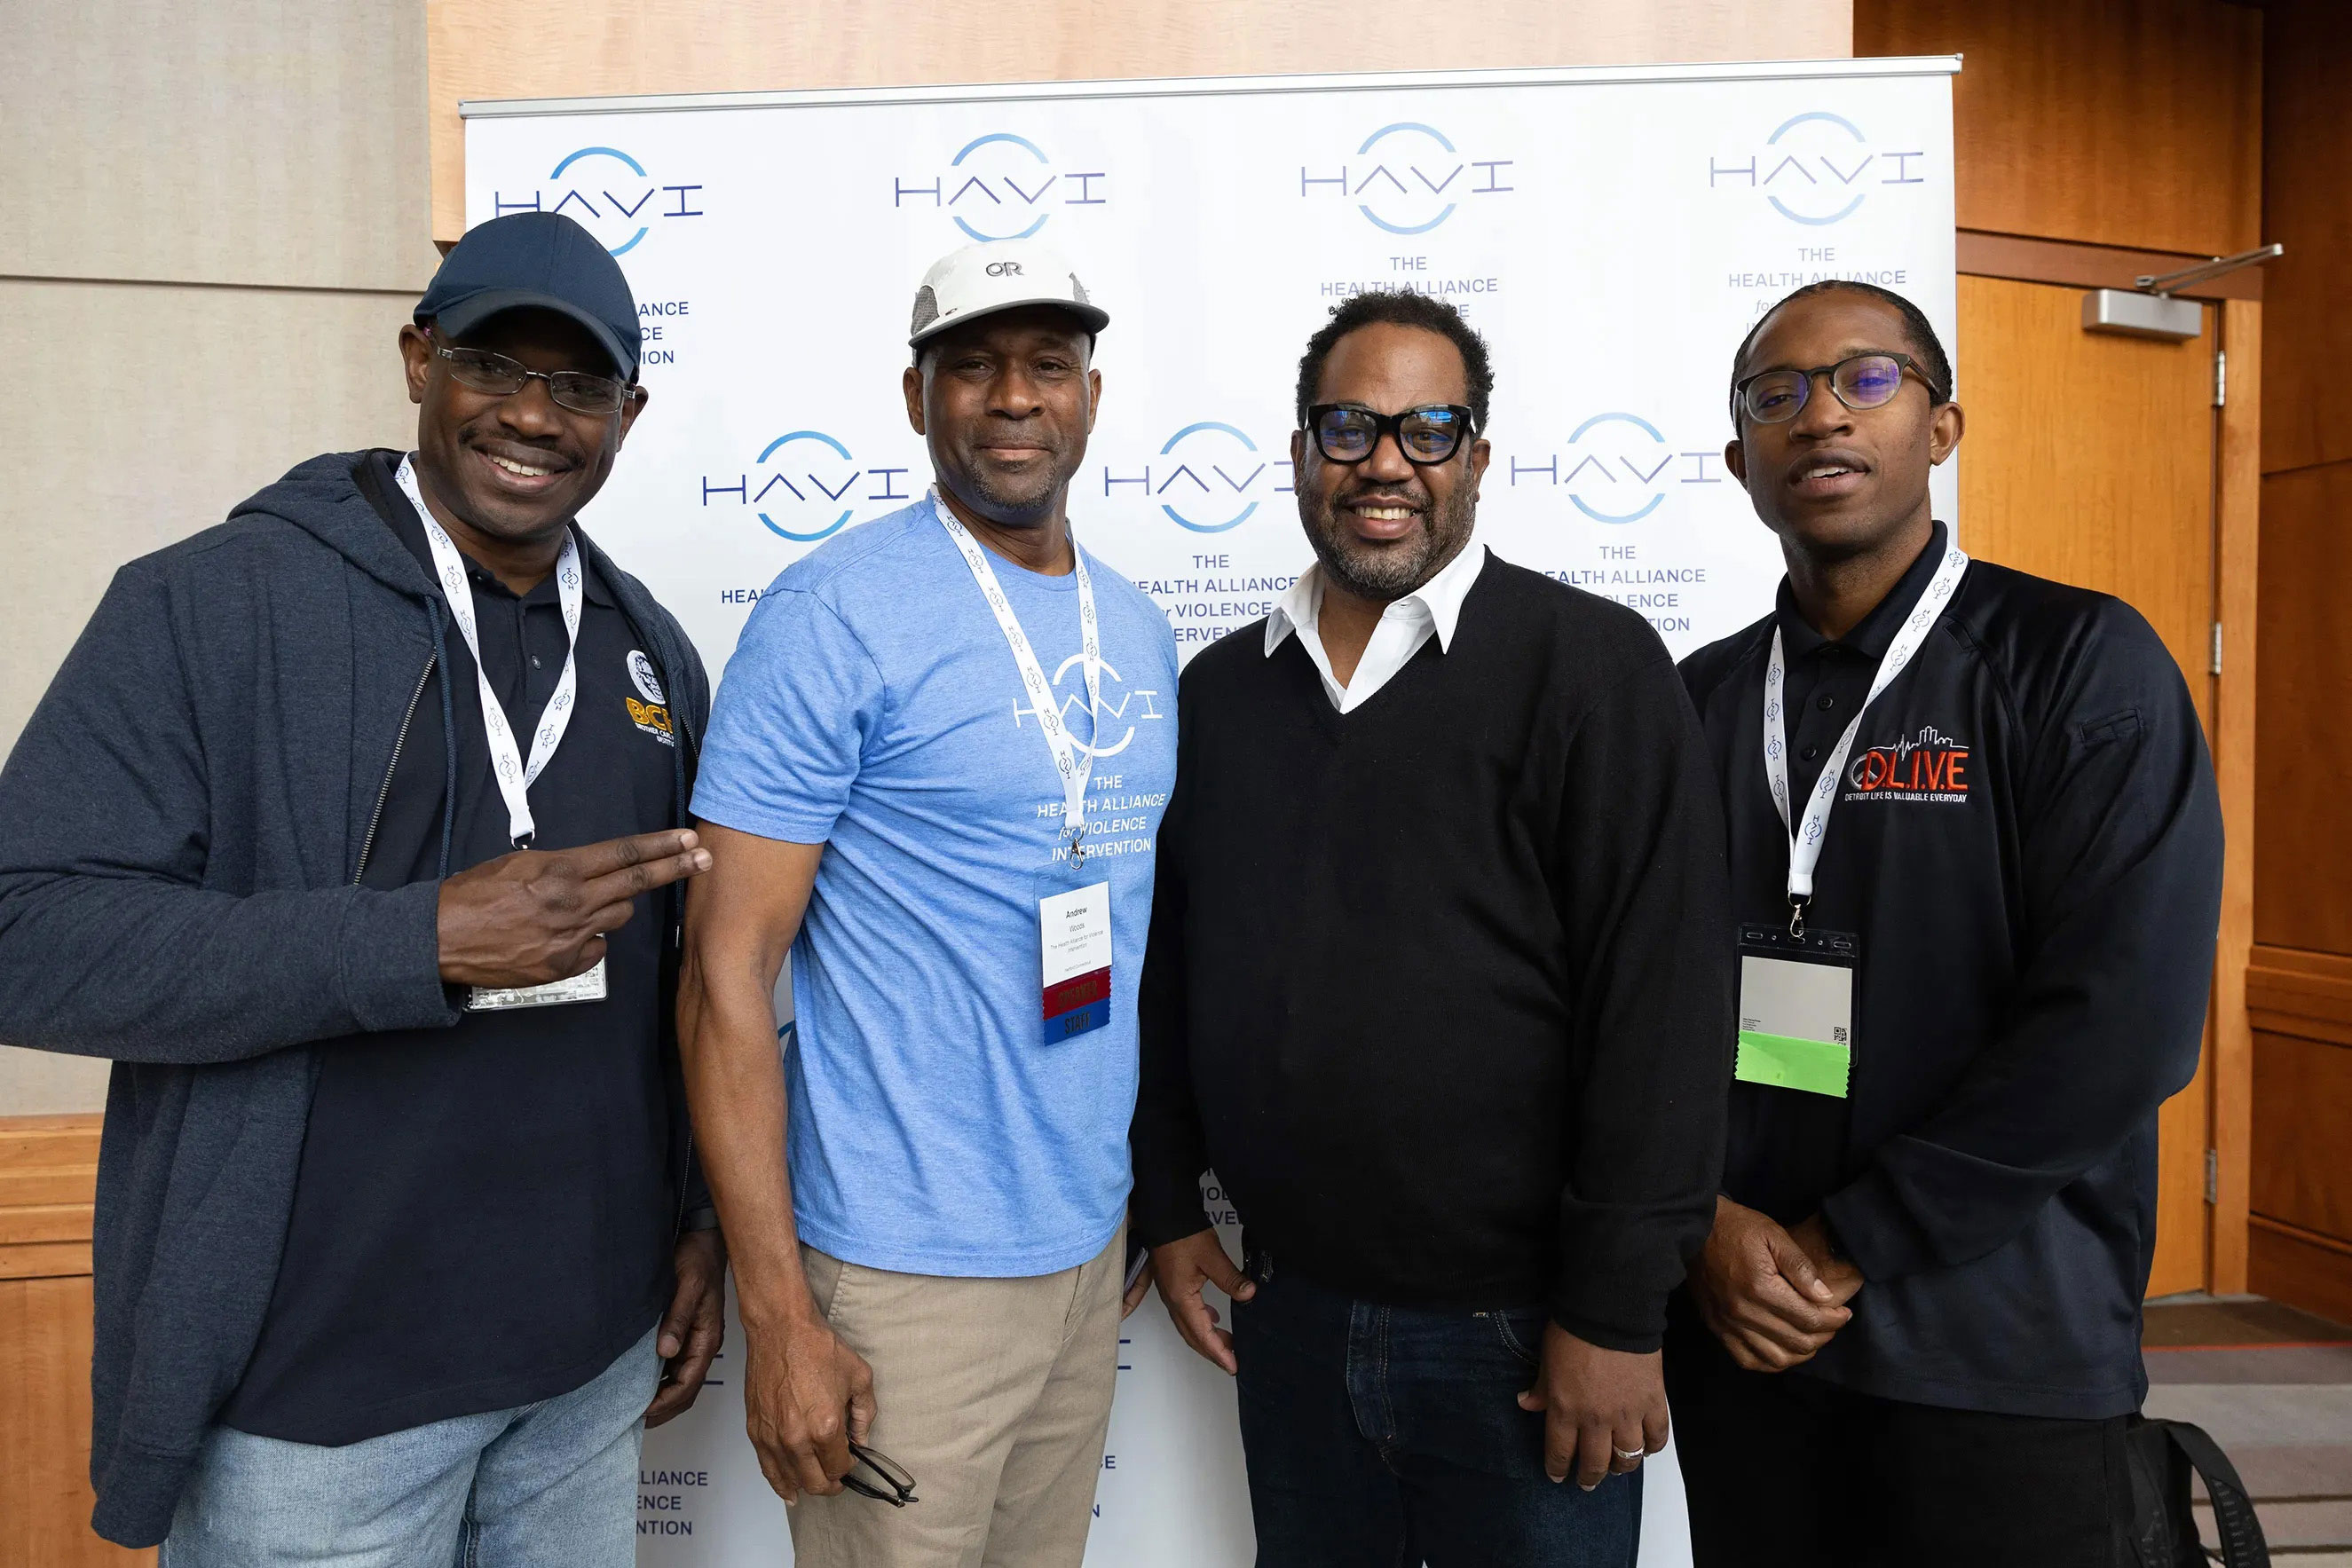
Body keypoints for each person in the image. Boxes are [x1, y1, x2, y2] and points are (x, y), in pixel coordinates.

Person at [0, 210, 725, 1564]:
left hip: (583, 1375)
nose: (529, 414)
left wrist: (692, 1222)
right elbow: (23, 928)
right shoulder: (216, 605)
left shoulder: (649, 652)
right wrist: (416, 939)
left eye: (576, 386)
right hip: (314, 1409)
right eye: (491, 364)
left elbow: (679, 984)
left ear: (629, 413)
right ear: (416, 359)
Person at [1130, 289, 1734, 1567]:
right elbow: (1173, 968)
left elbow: (1663, 1010)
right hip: (1285, 1314)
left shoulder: (1592, 668)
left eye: (1427, 428)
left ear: (1474, 455)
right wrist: (1168, 1202)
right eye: (1348, 427)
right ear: (1300, 450)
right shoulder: (1222, 692)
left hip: (1524, 1334)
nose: (1384, 462)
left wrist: (1616, 1316)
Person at [1668, 280, 2225, 1565]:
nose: (1819, 417)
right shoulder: (1690, 704)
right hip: (1745, 1337)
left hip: (1995, 1352)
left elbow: (2118, 1027)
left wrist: (1843, 1244)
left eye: (1865, 380)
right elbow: (1620, 1002)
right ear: (1735, 453)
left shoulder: (2075, 664)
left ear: (1942, 427)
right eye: (1777, 393)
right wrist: (1700, 1221)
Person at [675, 238, 1177, 1566]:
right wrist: (781, 1317)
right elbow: (725, 971)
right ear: (916, 399)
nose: (1014, 396)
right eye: (973, 366)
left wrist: (1117, 1207)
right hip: (900, 1274)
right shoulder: (833, 612)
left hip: (1083, 1251)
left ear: (1091, 394)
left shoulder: (1134, 629)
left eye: (1048, 364)